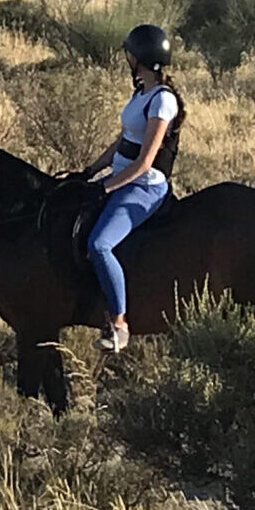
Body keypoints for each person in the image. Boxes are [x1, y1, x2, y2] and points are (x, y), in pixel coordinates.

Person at [74, 23, 185, 353]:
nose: (126, 59)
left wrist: (106, 188)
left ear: (139, 58)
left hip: (143, 188)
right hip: (120, 179)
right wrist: (90, 170)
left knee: (99, 244)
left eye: (129, 54)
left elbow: (145, 162)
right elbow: (123, 140)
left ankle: (119, 323)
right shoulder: (141, 93)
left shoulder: (163, 102)